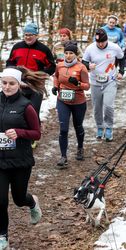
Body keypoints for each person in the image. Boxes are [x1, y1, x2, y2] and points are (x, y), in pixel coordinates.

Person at [0, 66, 48, 249]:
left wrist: (19, 132)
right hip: (0, 160)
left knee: (19, 199)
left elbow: (36, 133)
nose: (7, 87)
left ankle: (32, 202)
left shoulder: (25, 106)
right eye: (4, 83)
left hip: (20, 160)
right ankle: (2, 235)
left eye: (11, 83)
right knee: (1, 201)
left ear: (19, 84)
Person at [6, 22, 56, 148]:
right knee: (18, 111)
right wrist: (12, 74)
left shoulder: (43, 49)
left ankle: (33, 137)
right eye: (26, 34)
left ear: (36, 35)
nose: (28, 37)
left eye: (31, 35)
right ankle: (19, 135)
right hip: (19, 85)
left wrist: (39, 75)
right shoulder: (17, 47)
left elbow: (52, 66)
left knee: (33, 110)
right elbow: (9, 62)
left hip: (35, 86)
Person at [52, 41, 90, 168]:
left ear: (76, 54)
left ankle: (80, 148)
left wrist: (78, 84)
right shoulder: (60, 65)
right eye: (66, 53)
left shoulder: (81, 67)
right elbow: (56, 77)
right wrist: (55, 86)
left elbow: (87, 86)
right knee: (63, 129)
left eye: (71, 53)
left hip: (78, 101)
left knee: (78, 125)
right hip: (62, 100)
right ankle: (63, 156)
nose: (68, 55)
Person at [82, 28, 125, 141]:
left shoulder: (114, 47)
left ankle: (109, 127)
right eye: (98, 42)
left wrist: (121, 72)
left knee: (108, 106)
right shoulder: (90, 48)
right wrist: (88, 66)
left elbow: (122, 58)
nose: (100, 44)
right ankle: (100, 127)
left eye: (103, 42)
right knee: (97, 107)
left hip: (110, 81)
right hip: (95, 82)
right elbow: (84, 62)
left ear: (106, 40)